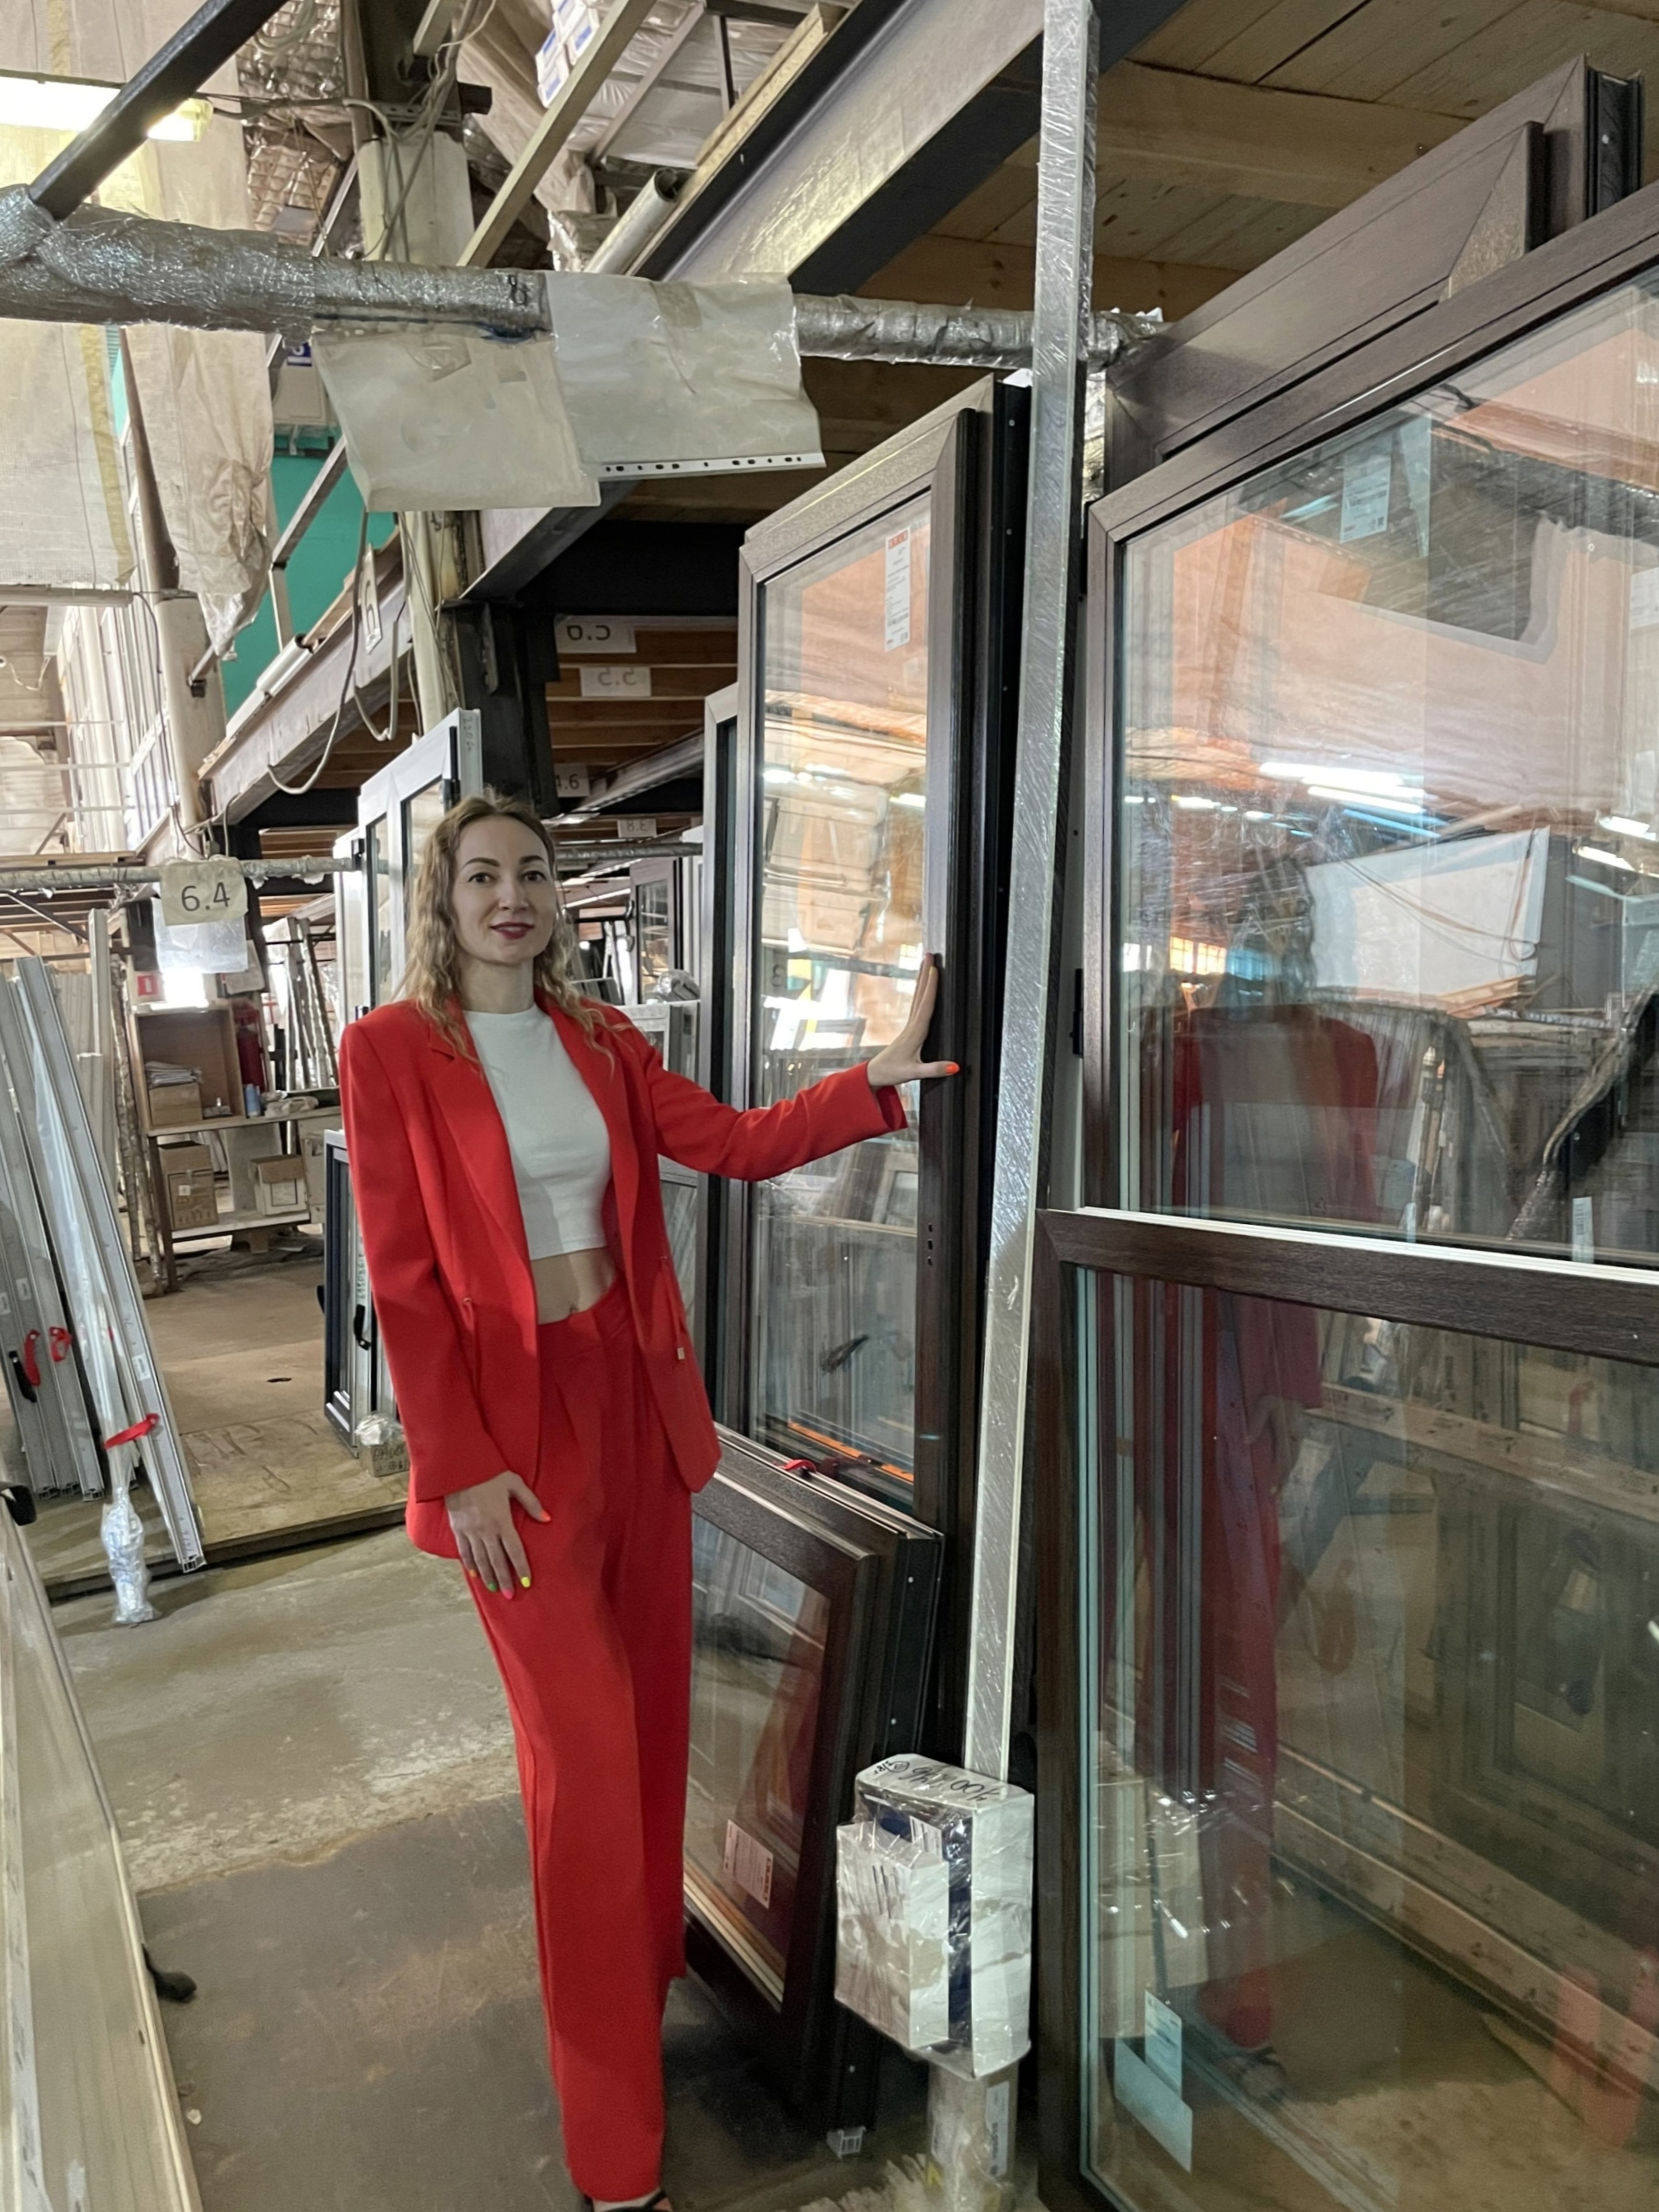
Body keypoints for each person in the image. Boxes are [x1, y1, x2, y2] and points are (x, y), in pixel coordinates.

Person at [339, 791, 953, 2212]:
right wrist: (460, 1462)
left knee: (652, 1734)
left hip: (634, 1407)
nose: (511, 896)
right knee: (584, 1768)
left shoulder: (603, 1040)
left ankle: (633, 1986)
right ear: (444, 900)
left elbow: (735, 1143)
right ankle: (614, 2155)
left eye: (533, 872)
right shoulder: (392, 1052)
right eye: (482, 876)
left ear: (558, 896)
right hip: (512, 1450)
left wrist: (875, 1081)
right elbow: (405, 1279)